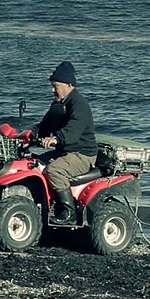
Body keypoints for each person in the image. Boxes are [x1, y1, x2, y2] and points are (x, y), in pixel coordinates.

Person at [31, 60, 98, 225]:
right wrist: (29, 135)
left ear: (69, 84)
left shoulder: (79, 103)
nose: (53, 90)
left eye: (56, 86)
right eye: (52, 86)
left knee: (54, 170)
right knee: (34, 164)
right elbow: (44, 125)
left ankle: (68, 211)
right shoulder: (58, 104)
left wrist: (56, 138)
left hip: (82, 154)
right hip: (64, 151)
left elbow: (73, 130)